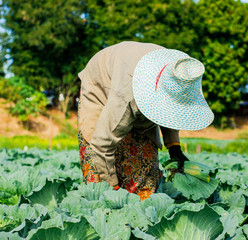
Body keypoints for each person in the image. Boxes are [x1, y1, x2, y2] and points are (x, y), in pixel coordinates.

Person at [77, 41, 214, 200]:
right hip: (100, 88)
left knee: (145, 181)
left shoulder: (174, 72)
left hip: (129, 77)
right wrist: (114, 189)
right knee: (98, 183)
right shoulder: (127, 98)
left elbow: (171, 109)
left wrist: (174, 147)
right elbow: (101, 144)